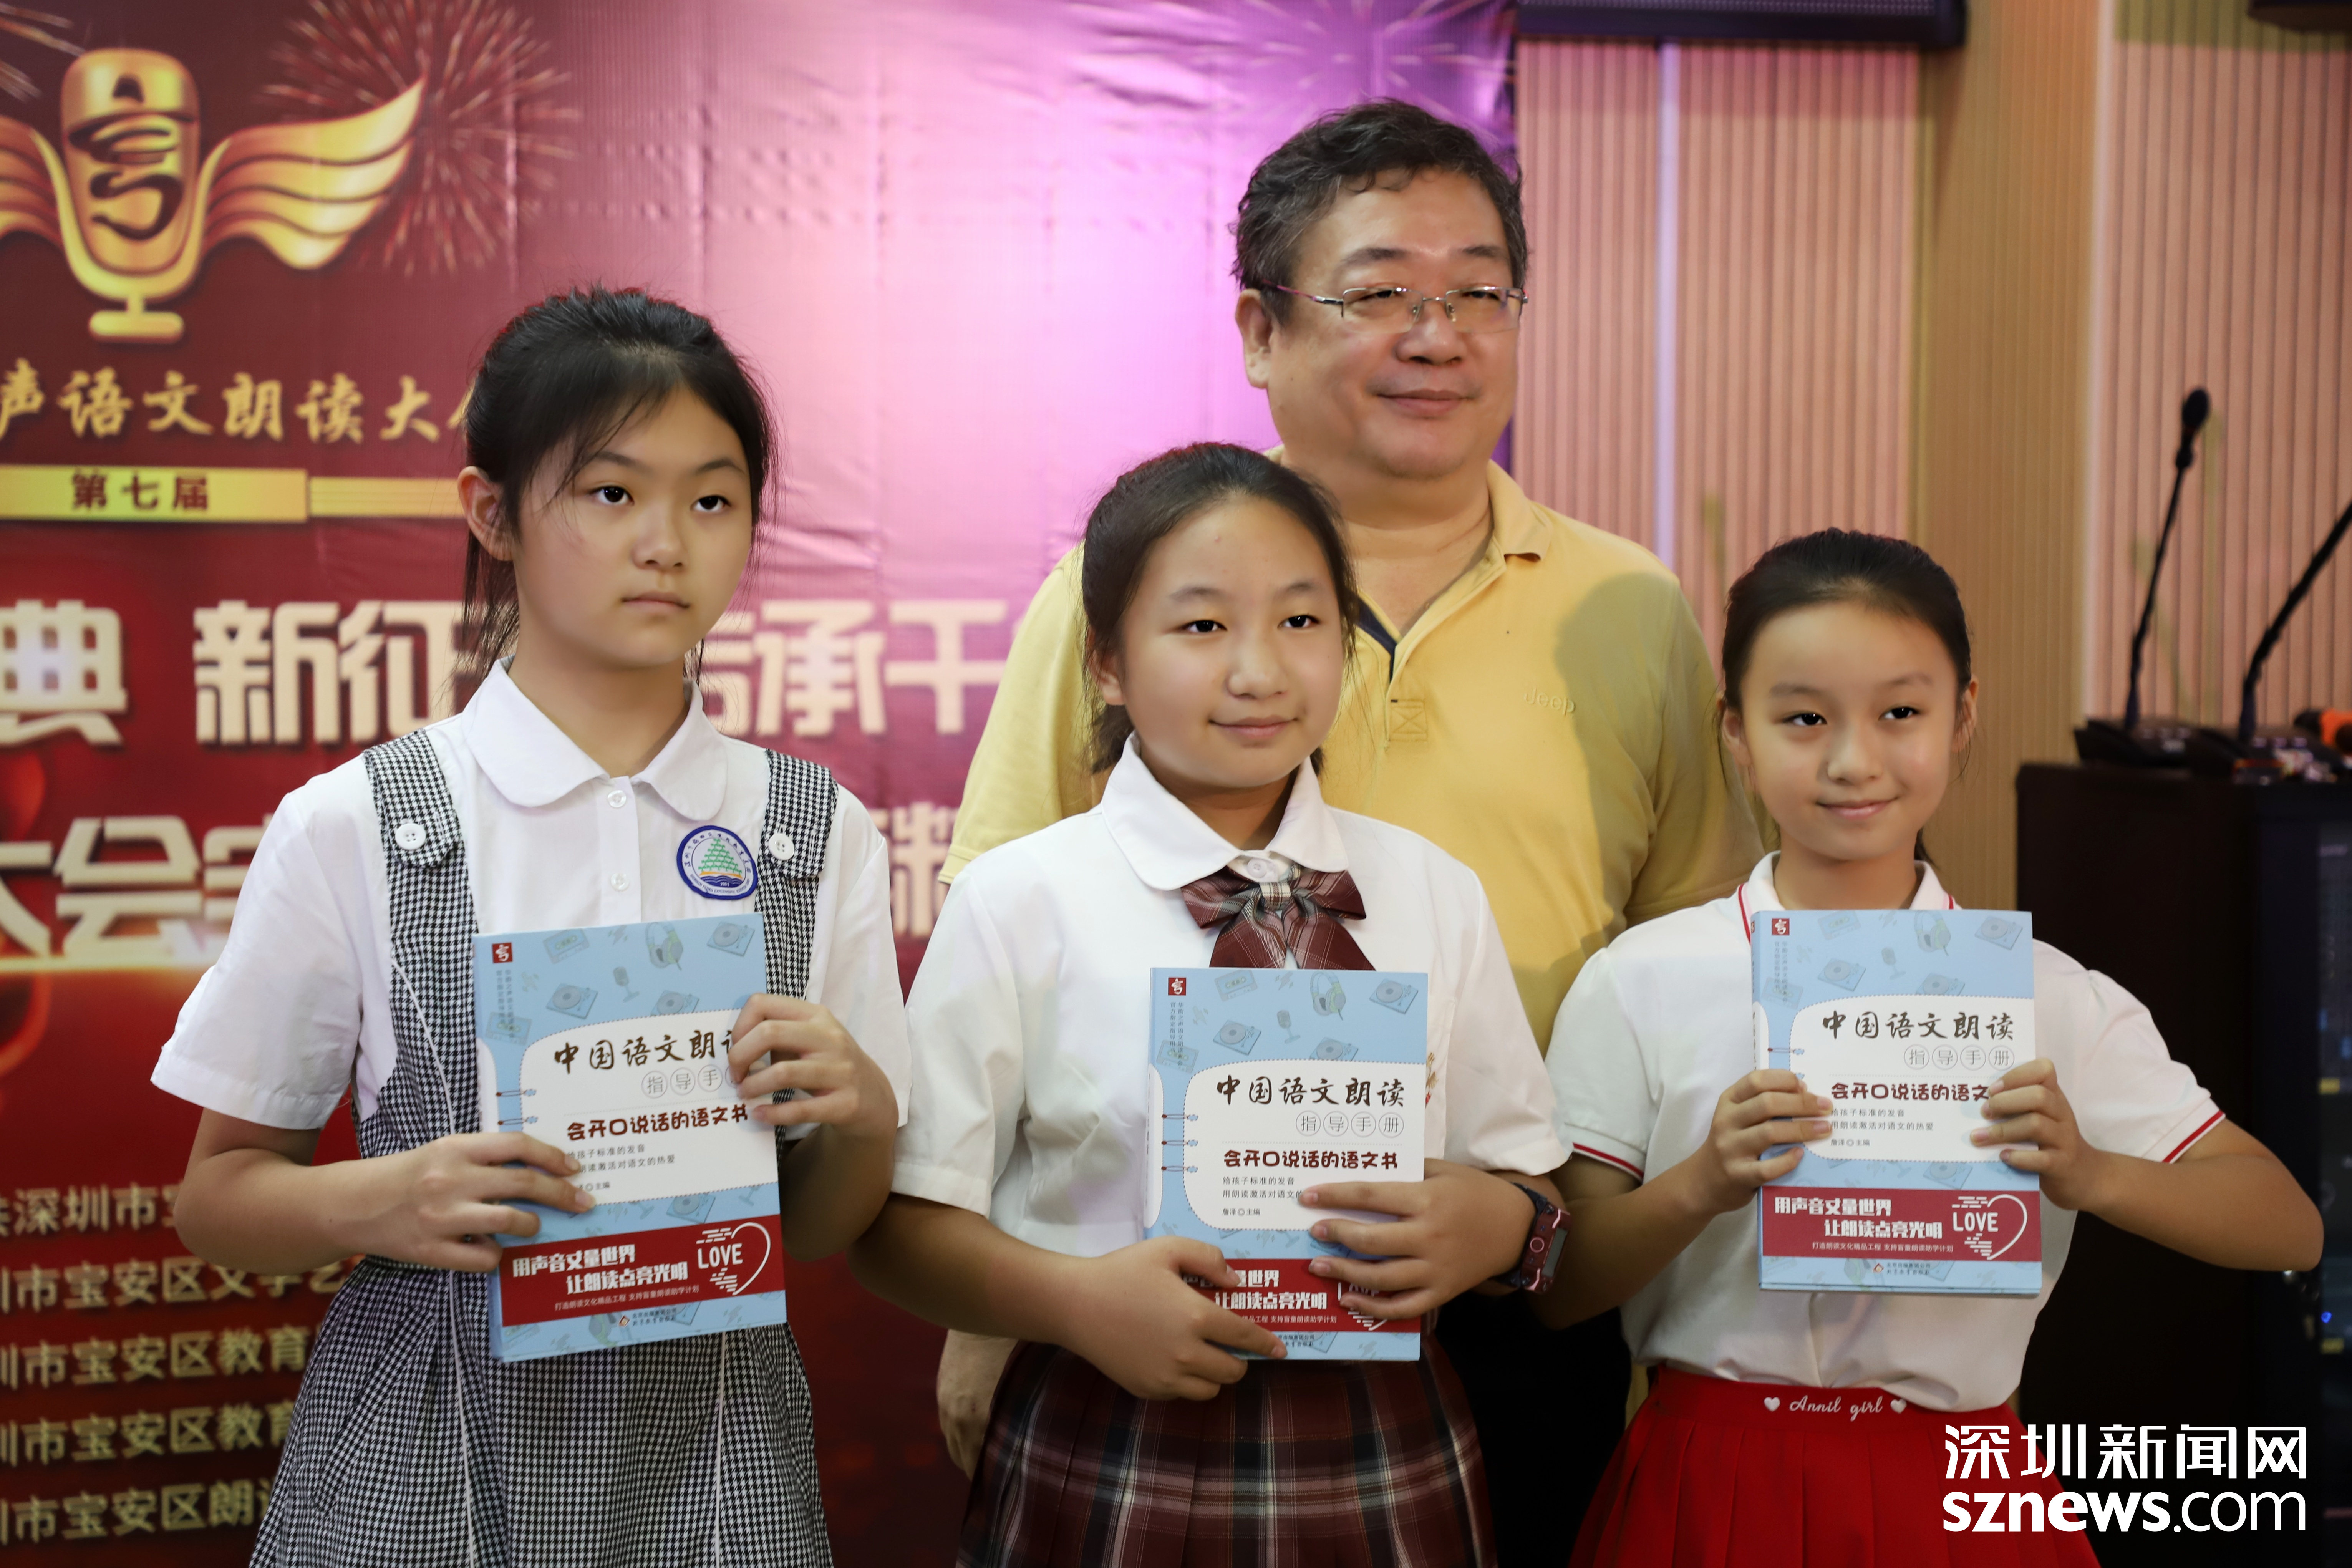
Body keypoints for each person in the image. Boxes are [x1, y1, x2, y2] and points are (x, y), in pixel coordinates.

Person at [935, 98, 1760, 1554]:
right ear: (1259, 331)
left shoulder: (1628, 604)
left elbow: (1689, 955)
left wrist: (1566, 1235)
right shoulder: (1117, 588)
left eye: (1478, 293)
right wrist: (1005, 1304)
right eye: (1379, 292)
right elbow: (1003, 920)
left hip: (1507, 1273)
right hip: (1152, 1285)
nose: (1436, 337)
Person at [152, 287, 910, 1567]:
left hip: (716, 1459)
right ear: (491, 513)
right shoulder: (360, 822)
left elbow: (818, 1226)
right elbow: (216, 1200)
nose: (665, 543)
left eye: (712, 500)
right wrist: (385, 1198)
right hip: (428, 1457)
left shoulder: (808, 826)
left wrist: (863, 1111)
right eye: (611, 493)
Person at [1538, 529, 2323, 1565]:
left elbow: (2288, 1225)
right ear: (1735, 732)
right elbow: (1559, 1287)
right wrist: (1702, 1183)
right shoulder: (1643, 977)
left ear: (1963, 717)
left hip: (1964, 1484)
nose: (1853, 760)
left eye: (1899, 713)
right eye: (1803, 718)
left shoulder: (2047, 993)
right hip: (1709, 1477)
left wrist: (2090, 1171)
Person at [852, 443, 1567, 1566]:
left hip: (1383, 1435)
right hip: (1108, 1425)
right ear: (1105, 662)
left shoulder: (1432, 889)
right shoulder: (1023, 897)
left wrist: (1499, 1227)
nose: (1259, 671)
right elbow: (897, 1222)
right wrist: (1073, 1303)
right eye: (1200, 626)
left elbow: (1530, 1182)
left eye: (1301, 620)